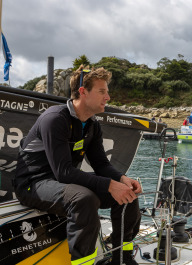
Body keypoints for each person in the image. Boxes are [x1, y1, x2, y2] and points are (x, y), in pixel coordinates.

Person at [13, 66, 141, 265]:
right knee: (84, 199)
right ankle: (83, 262)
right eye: (102, 91)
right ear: (83, 92)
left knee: (128, 196)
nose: (108, 97)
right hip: (32, 183)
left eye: (107, 92)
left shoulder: (91, 124)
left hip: (60, 184)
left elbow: (101, 164)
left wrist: (122, 179)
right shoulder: (55, 119)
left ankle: (122, 258)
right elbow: (64, 172)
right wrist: (109, 185)